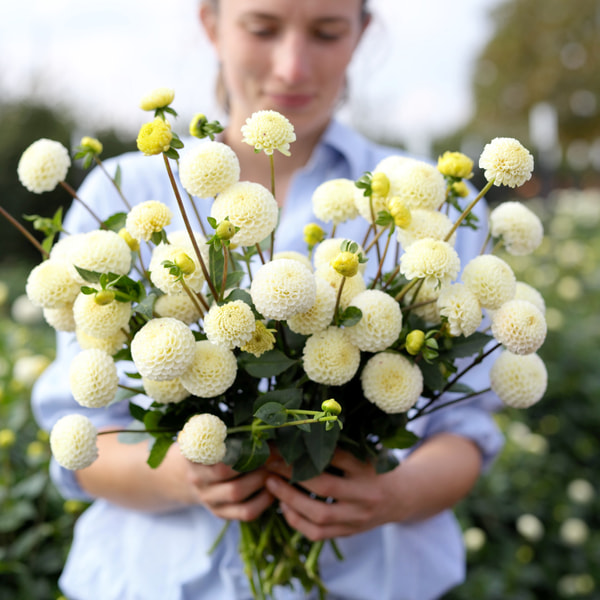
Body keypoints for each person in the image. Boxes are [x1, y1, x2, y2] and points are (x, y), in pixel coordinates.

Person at [32, 1, 504, 598]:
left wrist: (394, 494)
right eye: (263, 28)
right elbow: (80, 433)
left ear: (361, 32)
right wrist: (182, 477)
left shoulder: (426, 204)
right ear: (211, 24)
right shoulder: (120, 198)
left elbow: (465, 430)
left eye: (327, 32)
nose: (292, 66)